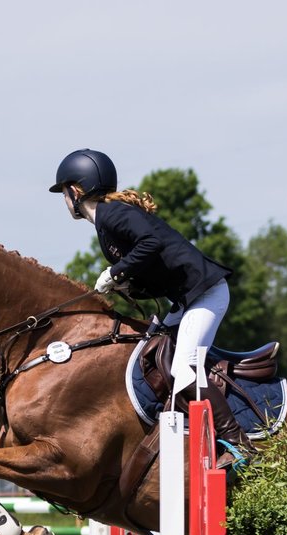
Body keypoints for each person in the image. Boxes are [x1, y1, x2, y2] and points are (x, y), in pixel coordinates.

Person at [50, 148, 251, 465]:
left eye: (63, 192)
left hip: (207, 294)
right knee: (150, 351)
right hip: (187, 299)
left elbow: (151, 244)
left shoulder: (113, 213)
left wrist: (116, 272)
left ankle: (238, 444)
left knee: (184, 369)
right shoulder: (106, 226)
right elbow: (152, 269)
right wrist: (126, 285)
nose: (64, 200)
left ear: (75, 190)